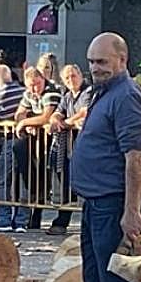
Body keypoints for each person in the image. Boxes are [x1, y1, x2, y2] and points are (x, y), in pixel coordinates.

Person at [69, 32, 141, 282]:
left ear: (122, 60)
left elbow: (136, 157)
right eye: (91, 62)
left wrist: (131, 211)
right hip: (95, 204)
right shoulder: (104, 92)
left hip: (113, 204)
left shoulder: (127, 96)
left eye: (102, 62)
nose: (95, 68)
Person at [12, 67, 61, 231]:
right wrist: (28, 122)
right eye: (31, 85)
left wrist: (26, 122)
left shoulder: (51, 92)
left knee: (44, 173)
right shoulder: (29, 94)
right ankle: (32, 201)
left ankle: (39, 212)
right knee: (21, 153)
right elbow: (19, 113)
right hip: (35, 140)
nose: (34, 89)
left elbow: (46, 117)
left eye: (37, 84)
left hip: (52, 140)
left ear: (43, 80)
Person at [48, 63, 91, 234]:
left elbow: (84, 112)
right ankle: (62, 220)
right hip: (69, 147)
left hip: (87, 148)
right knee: (66, 183)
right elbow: (58, 112)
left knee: (87, 185)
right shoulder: (67, 96)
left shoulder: (88, 92)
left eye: (73, 75)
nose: (71, 80)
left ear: (80, 75)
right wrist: (56, 120)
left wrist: (65, 123)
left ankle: (87, 222)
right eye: (67, 77)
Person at [0, 64, 26, 231]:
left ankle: (3, 219)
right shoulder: (23, 91)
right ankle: (21, 221)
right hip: (25, 140)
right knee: (23, 180)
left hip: (7, 139)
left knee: (2, 180)